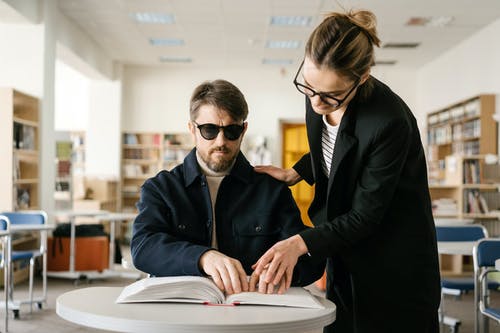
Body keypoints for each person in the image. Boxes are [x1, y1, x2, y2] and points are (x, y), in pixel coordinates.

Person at [253, 9, 441, 333]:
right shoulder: (319, 91)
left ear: (362, 77)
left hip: (393, 266)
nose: (315, 102)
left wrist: (298, 243)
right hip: (345, 253)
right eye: (308, 87)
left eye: (330, 95)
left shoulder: (389, 121)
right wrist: (295, 173)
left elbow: (364, 217)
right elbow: (333, 149)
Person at [131, 79, 324, 295]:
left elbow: (310, 260)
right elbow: (143, 247)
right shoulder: (161, 188)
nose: (221, 141)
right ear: (192, 129)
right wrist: (202, 257)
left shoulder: (271, 190)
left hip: (254, 312)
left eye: (231, 130)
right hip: (182, 313)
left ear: (243, 130)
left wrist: (282, 270)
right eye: (209, 130)